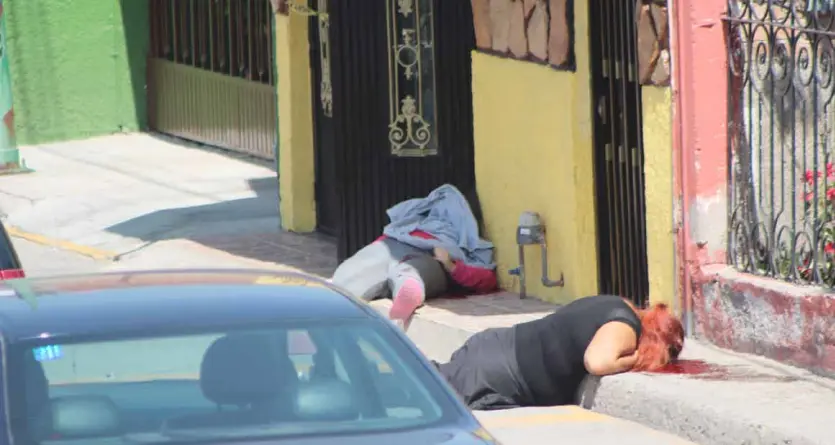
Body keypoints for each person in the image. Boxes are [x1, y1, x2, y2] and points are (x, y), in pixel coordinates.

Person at [434, 294, 684, 410]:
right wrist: (634, 358)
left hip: (492, 346)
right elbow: (597, 362)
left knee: (422, 385)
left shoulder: (614, 303)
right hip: (502, 376)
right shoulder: (626, 324)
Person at [331, 184, 498, 325]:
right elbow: (487, 279)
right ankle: (406, 286)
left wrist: (450, 265)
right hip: (404, 247)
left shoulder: (467, 240)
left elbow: (486, 279)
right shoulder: (419, 222)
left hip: (413, 251)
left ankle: (407, 290)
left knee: (397, 268)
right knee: (373, 267)